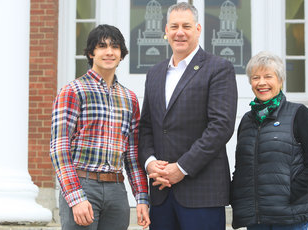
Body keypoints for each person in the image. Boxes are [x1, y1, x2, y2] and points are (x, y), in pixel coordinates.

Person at [138, 2, 238, 230]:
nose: (179, 32)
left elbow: (220, 126)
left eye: (186, 26)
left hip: (201, 192)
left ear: (198, 29)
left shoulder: (218, 68)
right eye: (174, 26)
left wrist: (181, 168)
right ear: (166, 30)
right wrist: (150, 163)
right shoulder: (154, 73)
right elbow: (146, 127)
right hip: (161, 193)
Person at [50, 24, 150, 230]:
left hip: (116, 189)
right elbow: (59, 149)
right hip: (82, 184)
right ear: (90, 53)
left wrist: (141, 198)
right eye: (102, 46)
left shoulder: (129, 99)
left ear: (122, 54)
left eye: (115, 46)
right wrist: (76, 197)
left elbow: (132, 155)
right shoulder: (72, 91)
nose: (109, 52)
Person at [230, 51, 308, 230]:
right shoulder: (246, 121)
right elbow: (241, 168)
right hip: (256, 217)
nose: (262, 82)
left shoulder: (298, 114)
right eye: (256, 77)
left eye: (268, 76)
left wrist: (290, 194)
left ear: (280, 81)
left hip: (289, 216)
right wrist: (237, 197)